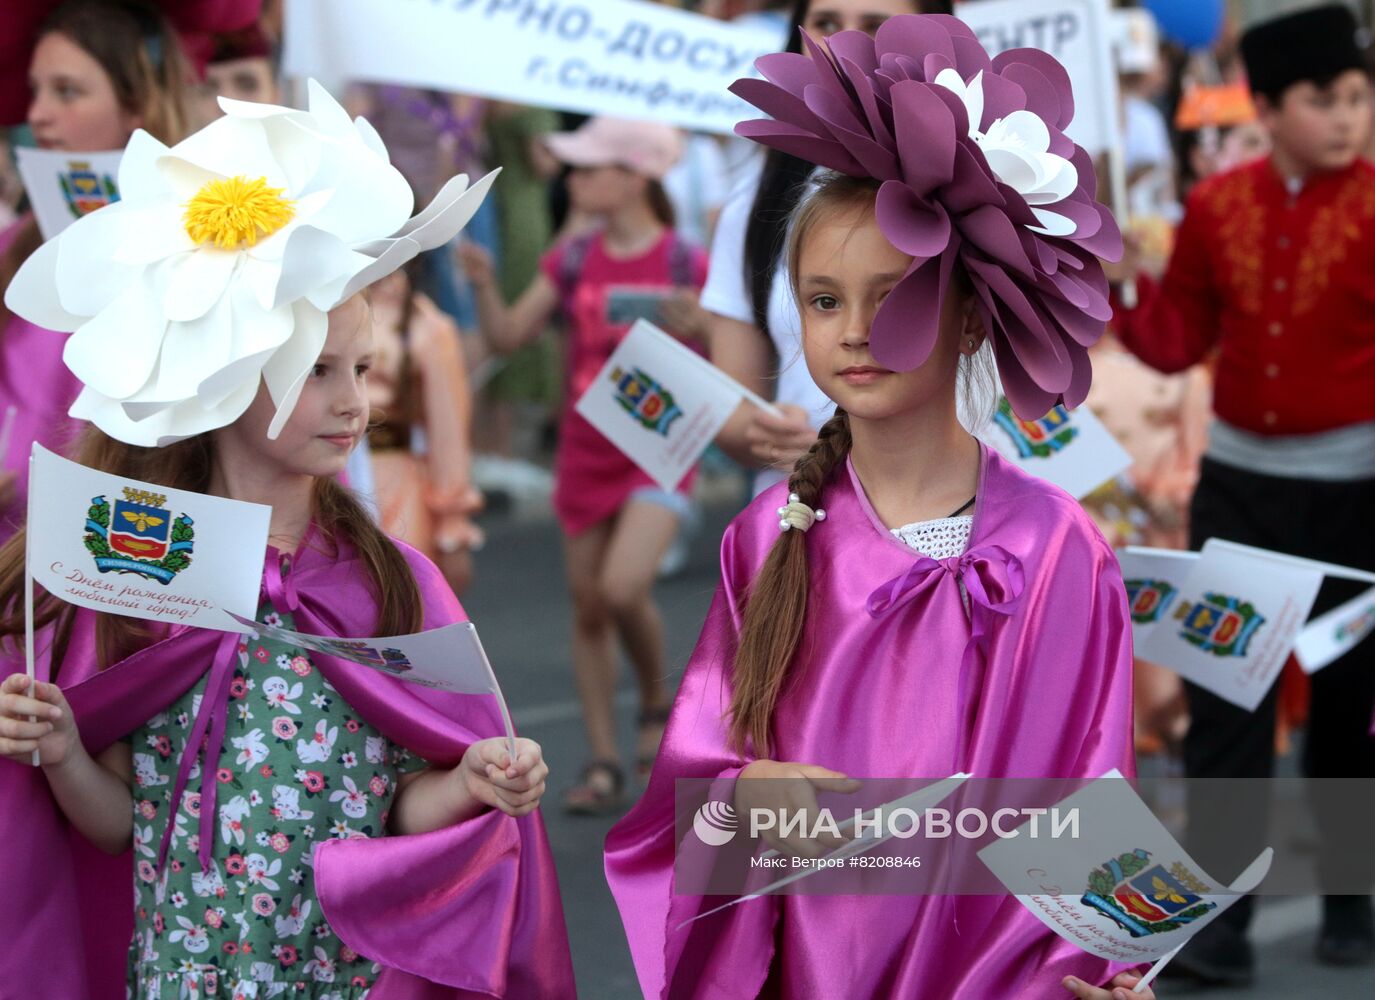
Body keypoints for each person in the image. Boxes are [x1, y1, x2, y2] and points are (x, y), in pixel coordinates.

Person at [606, 15, 1153, 999]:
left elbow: (1089, 789)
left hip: (998, 974)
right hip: (818, 969)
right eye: (821, 301)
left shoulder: (1058, 547)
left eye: (892, 295)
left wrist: (1106, 965)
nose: (853, 332)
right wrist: (741, 799)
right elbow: (694, 789)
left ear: (974, 310)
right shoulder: (766, 537)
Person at [0, 82, 572, 998]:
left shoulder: (390, 580)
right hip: (183, 979)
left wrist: (474, 778)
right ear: (223, 381)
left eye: (361, 367)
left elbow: (402, 803)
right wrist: (62, 746)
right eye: (316, 372)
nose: (355, 400)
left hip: (344, 980)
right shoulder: (141, 575)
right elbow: (117, 828)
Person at [1107, 4, 1375, 983]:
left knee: (1348, 709)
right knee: (1227, 704)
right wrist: (1120, 292)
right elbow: (1175, 338)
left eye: (1356, 97)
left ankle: (1351, 896)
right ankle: (1217, 924)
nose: (1345, 117)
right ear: (1264, 105)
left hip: (1355, 500)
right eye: (1322, 100)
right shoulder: (1216, 208)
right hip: (1238, 492)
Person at [463, 116, 709, 813]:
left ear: (632, 176)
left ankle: (656, 699)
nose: (573, 179)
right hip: (585, 452)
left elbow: (733, 361)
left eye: (589, 167)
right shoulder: (570, 259)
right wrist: (482, 284)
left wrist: (704, 330)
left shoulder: (686, 263)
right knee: (588, 608)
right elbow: (509, 334)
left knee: (624, 587)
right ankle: (603, 760)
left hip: (659, 454)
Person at [700, 0, 949, 495]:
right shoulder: (755, 205)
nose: (843, 45)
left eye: (876, 26)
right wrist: (763, 434)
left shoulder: (983, 194)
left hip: (955, 530)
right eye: (826, 24)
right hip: (800, 527)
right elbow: (730, 406)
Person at [0, 0, 192, 545]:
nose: (37, 114)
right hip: (12, 577)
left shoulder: (199, 249)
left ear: (138, 104)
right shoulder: (13, 245)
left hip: (128, 563)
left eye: (67, 91)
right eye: (36, 90)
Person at [366, 262, 484, 595]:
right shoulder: (316, 302)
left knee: (399, 606)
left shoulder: (426, 325)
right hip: (325, 481)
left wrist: (452, 524)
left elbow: (448, 435)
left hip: (395, 487)